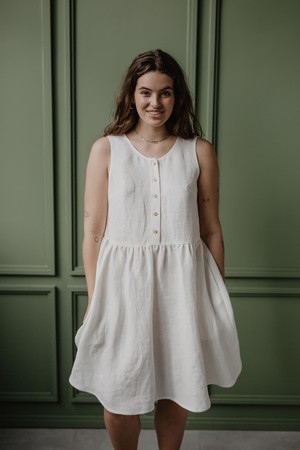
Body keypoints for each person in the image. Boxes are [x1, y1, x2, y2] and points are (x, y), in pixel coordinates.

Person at [69, 49, 242, 450]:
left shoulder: (198, 152)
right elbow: (93, 232)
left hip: (182, 288)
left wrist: (212, 295)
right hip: (121, 290)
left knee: (176, 389)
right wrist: (97, 301)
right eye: (146, 92)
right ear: (131, 94)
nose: (155, 103)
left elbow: (212, 230)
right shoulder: (107, 150)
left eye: (165, 93)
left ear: (177, 97)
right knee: (118, 396)